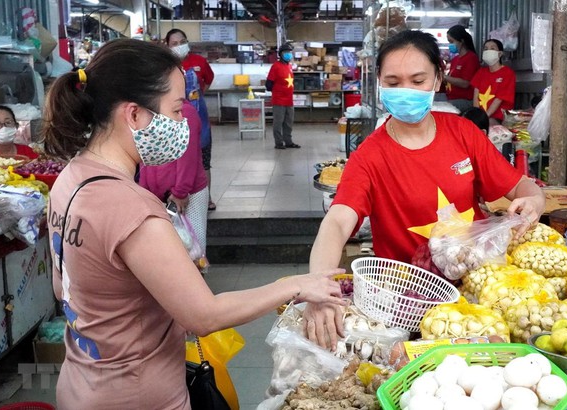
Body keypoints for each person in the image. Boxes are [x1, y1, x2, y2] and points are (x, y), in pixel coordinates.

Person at [41, 39, 345, 409]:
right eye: (175, 109)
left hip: (81, 382)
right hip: (139, 396)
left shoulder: (71, 178)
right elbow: (204, 315)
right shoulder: (132, 208)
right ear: (134, 115)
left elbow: (63, 288)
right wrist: (295, 284)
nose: (183, 121)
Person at [302, 30, 545, 349]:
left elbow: (518, 185)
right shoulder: (370, 155)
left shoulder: (463, 133)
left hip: (477, 295)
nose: (406, 90)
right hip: (407, 306)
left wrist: (535, 199)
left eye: (417, 80)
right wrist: (319, 287)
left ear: (438, 78)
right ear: (379, 81)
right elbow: (337, 222)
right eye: (393, 81)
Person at [139, 99, 209, 253]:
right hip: (157, 196)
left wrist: (180, 191)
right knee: (167, 250)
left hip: (188, 194)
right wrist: (144, 191)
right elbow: (144, 155)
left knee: (193, 251)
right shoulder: (148, 112)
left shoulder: (185, 112)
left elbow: (187, 156)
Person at [164, 29, 217, 210]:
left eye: (182, 41)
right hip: (174, 122)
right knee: (179, 161)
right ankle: (176, 194)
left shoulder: (199, 62)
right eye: (175, 44)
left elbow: (208, 80)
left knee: (204, 161)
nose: (180, 46)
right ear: (168, 46)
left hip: (200, 121)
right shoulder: (165, 66)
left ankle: (207, 198)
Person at [471, 38, 516, 125]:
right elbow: (475, 96)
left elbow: (498, 99)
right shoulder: (481, 72)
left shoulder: (507, 73)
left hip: (498, 117)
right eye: (486, 48)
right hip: (481, 116)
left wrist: (484, 118)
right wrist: (477, 116)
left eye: (492, 48)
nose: (488, 51)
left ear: (500, 54)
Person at [266, 43, 301, 149]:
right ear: (280, 54)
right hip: (279, 100)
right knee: (278, 122)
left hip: (289, 100)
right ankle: (279, 142)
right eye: (286, 53)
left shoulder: (289, 66)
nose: (288, 55)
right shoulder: (276, 66)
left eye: (290, 53)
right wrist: (278, 91)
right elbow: (268, 84)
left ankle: (288, 141)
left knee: (288, 123)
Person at [444, 25, 480, 113]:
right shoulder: (455, 59)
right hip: (451, 97)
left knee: (441, 108)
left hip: (466, 100)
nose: (450, 45)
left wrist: (444, 77)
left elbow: (465, 83)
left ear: (462, 41)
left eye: (452, 41)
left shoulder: (471, 58)